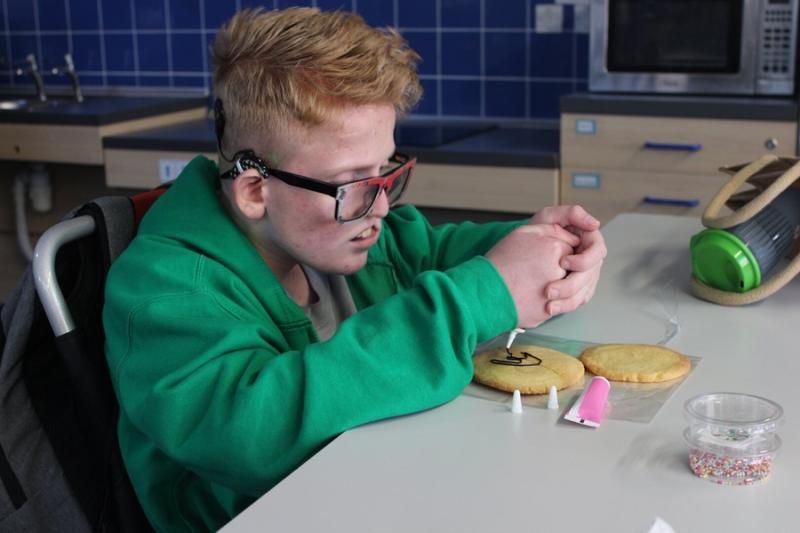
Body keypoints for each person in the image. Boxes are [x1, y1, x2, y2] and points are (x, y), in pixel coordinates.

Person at [103, 7, 606, 531]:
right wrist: (480, 296)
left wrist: (541, 244)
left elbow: (435, 252)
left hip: (379, 487)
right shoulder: (163, 291)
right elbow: (251, 431)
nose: (382, 207)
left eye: (385, 172)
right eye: (353, 185)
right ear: (256, 190)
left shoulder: (339, 233)